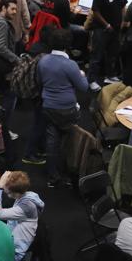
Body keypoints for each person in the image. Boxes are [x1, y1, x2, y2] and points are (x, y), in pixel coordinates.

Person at [38, 29, 88, 188]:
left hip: (48, 107)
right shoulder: (71, 65)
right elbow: (84, 87)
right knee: (71, 141)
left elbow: (40, 81)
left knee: (52, 141)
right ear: (68, 45)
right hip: (67, 109)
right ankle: (69, 173)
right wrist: (82, 74)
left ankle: (53, 177)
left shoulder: (43, 61)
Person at [89, 0, 128, 90]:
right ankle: (92, 80)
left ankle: (110, 76)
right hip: (102, 29)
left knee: (112, 54)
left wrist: (123, 21)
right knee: (97, 56)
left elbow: (123, 5)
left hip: (116, 29)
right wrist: (106, 25)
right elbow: (95, 11)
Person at [0, 171, 44, 261]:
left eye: (6, 188)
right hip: (11, 246)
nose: (4, 189)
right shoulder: (28, 196)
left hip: (14, 256)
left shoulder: (27, 206)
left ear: (14, 193)